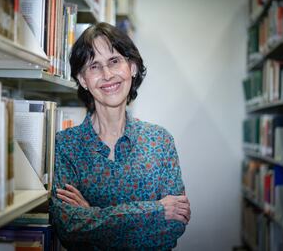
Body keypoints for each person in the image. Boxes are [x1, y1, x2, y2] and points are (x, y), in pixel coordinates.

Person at [50, 22, 191, 250]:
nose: (107, 75)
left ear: (132, 67)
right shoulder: (65, 145)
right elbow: (68, 227)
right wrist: (157, 210)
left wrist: (92, 217)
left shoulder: (160, 141)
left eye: (114, 61)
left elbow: (173, 228)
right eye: (94, 66)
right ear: (83, 80)